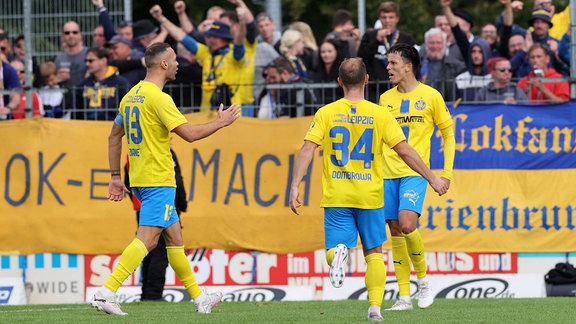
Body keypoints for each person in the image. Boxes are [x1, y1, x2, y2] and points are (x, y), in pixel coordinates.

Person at [289, 57, 447, 322]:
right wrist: (431, 177)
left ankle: (338, 256)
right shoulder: (379, 114)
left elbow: (307, 149)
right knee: (374, 253)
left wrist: (295, 186)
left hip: (337, 195)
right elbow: (405, 150)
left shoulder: (326, 113)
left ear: (339, 81)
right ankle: (375, 308)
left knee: (336, 248)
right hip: (371, 195)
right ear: (366, 80)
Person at [91, 42, 240, 316]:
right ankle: (106, 291)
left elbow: (114, 136)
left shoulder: (131, 96)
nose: (178, 63)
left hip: (141, 179)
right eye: (174, 59)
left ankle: (199, 297)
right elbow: (189, 134)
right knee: (147, 241)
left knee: (175, 241)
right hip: (157, 178)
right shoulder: (160, 99)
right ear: (163, 64)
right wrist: (220, 122)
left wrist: (115, 175)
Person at [379, 43, 455, 311]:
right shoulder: (385, 99)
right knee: (395, 230)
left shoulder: (431, 96)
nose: (388, 68)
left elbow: (448, 133)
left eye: (393, 63)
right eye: (387, 63)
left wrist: (445, 174)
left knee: (408, 224)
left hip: (414, 173)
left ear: (408, 66)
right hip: (387, 173)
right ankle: (403, 296)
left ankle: (423, 282)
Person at [124, 148, 187, 301]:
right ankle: (153, 294)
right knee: (162, 249)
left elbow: (128, 182)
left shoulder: (133, 151)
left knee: (148, 248)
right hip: (164, 203)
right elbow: (176, 179)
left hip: (144, 205)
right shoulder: (164, 150)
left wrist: (140, 200)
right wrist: (181, 204)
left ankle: (146, 292)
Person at [74, 47, 131, 120]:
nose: (87, 64)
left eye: (91, 61)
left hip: (111, 127)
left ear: (103, 61)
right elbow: (76, 112)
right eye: (86, 61)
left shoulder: (121, 83)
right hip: (86, 127)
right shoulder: (83, 84)